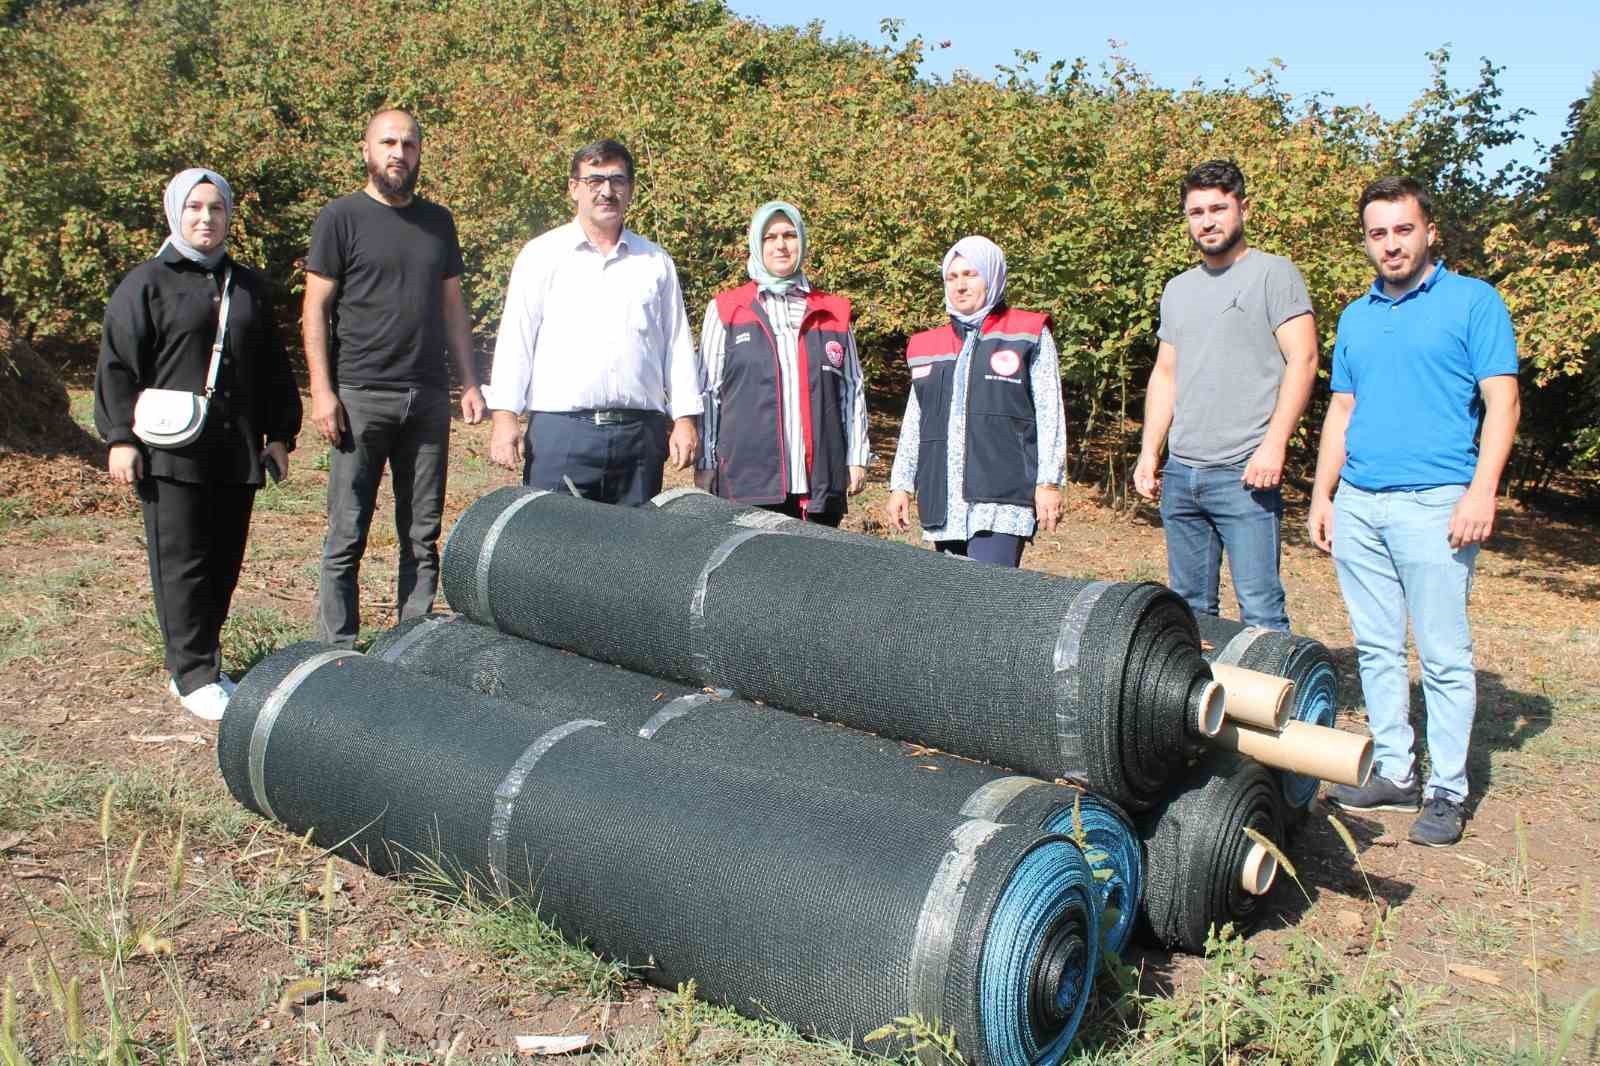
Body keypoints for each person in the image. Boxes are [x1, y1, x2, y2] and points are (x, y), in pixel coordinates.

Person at [1311, 176, 1520, 848]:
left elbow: (1502, 402)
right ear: (1367, 241)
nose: (1391, 244)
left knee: (1443, 653)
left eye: (1403, 230)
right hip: (1361, 503)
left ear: (1430, 231)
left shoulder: (1473, 303)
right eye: (1378, 233)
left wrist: (1482, 490)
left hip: (1438, 503)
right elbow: (1342, 410)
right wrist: (1323, 493)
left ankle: (1447, 790)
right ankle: (1396, 772)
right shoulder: (1356, 316)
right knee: (1375, 645)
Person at [94, 168, 302, 720]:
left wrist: (280, 433)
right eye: (194, 208)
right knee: (182, 561)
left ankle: (201, 659)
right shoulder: (145, 284)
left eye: (216, 208)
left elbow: (273, 367)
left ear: (229, 215)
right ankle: (192, 673)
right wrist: (120, 438)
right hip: (170, 452)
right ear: (174, 214)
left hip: (235, 449)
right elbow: (117, 366)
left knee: (223, 561)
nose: (205, 218)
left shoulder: (248, 285)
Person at [303, 108, 486, 648]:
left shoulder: (438, 222)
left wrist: (470, 381)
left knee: (421, 535)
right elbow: (315, 309)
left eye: (408, 144)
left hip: (427, 397)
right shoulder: (340, 218)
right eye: (388, 142)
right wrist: (322, 390)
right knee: (346, 533)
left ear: (419, 152)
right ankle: (336, 651)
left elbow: (454, 307)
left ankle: (410, 645)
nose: (398, 153)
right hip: (360, 394)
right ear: (366, 149)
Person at [1133, 160, 1319, 631]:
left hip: (1245, 473)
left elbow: (1305, 360)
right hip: (1182, 473)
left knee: (1260, 607)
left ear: (1243, 208)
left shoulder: (1274, 275)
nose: (1207, 221)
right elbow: (1166, 373)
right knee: (1189, 610)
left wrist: (1274, 446)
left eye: (1218, 208)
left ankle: (1270, 700)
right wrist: (1149, 453)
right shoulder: (1177, 289)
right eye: (1196, 212)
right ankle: (1202, 704)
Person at [485, 139, 701, 504]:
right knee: (550, 552)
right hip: (562, 433)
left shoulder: (654, 262)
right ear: (574, 188)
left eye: (617, 180)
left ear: (630, 189)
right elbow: (515, 340)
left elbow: (677, 345)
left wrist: (685, 420)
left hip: (638, 437)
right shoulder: (541, 255)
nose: (607, 191)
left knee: (633, 556)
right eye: (594, 181)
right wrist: (505, 417)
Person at [885, 236, 1066, 567]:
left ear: (992, 275)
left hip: (1000, 501)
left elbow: (1050, 411)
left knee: (990, 601)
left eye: (970, 274)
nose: (960, 285)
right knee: (955, 606)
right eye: (952, 278)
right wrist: (901, 486)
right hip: (944, 500)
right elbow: (915, 421)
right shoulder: (928, 345)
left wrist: (1049, 482)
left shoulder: (1028, 333)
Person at [695, 200, 868, 524]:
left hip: (820, 482)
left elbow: (852, 389)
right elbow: (709, 391)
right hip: (748, 481)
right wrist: (705, 461)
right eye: (770, 237)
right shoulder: (726, 310)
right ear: (756, 243)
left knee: (817, 575)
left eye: (789, 235)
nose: (780, 245)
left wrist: (856, 457)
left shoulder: (834, 311)